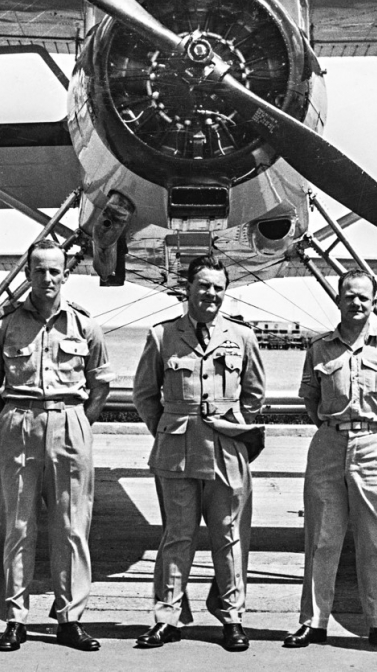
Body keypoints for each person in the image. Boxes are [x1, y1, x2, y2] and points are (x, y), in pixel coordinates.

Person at [0, 239, 114, 653]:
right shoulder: (3, 326)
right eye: (40, 270)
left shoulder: (85, 326)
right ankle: (15, 619)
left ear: (66, 275)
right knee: (16, 525)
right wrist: (11, 417)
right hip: (18, 419)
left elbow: (101, 383)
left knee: (72, 527)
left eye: (55, 271)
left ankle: (70, 618)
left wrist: (77, 421)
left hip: (70, 421)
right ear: (27, 275)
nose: (48, 278)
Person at [132, 255, 266, 652]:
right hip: (177, 451)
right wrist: (171, 426)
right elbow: (144, 395)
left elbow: (255, 396)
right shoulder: (162, 336)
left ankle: (232, 618)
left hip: (227, 449)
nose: (211, 294)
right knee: (178, 535)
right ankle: (167, 618)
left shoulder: (242, 337)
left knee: (229, 537)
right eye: (204, 286)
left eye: (218, 288)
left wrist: (233, 425)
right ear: (188, 289)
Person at [283, 269, 377, 652]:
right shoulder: (320, 349)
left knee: (376, 537)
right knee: (321, 536)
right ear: (338, 300)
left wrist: (371, 431)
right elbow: (310, 399)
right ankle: (314, 622)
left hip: (373, 443)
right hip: (329, 443)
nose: (357, 303)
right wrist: (335, 427)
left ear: (374, 303)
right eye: (349, 296)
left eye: (364, 298)